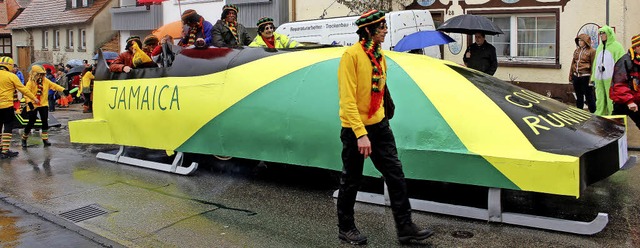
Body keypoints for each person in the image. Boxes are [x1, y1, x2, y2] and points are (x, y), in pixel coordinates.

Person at [336, 9, 433, 245]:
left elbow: (380, 87)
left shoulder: (379, 55)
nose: (386, 30)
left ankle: (405, 227)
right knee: (352, 180)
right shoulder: (351, 55)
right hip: (355, 131)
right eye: (382, 27)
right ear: (368, 30)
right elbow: (347, 100)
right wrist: (361, 134)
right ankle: (346, 228)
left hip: (379, 127)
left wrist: (383, 116)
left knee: (395, 175)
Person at [0, 57, 38, 158]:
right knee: (8, 126)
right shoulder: (11, 76)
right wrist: (33, 98)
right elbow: (22, 89)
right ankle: (5, 151)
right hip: (6, 105)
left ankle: (0, 148)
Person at [21, 65, 65, 148]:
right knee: (31, 122)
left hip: (43, 104)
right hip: (33, 104)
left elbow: (54, 85)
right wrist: (30, 103)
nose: (41, 76)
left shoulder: (45, 81)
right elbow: (26, 93)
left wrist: (63, 89)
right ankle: (24, 138)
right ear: (34, 74)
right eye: (39, 74)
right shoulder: (30, 82)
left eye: (42, 74)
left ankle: (45, 139)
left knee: (45, 122)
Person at [592, 25, 626, 116]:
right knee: (600, 96)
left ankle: (612, 114)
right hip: (599, 77)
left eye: (603, 33)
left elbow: (621, 62)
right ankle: (600, 113)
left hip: (611, 78)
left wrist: (619, 78)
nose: (601, 35)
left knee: (611, 97)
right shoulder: (599, 47)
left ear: (609, 34)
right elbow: (596, 62)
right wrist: (593, 77)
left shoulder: (617, 46)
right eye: (600, 33)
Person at [610, 34, 640, 128]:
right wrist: (629, 101)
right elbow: (619, 84)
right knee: (614, 129)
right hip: (624, 102)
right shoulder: (625, 61)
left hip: (636, 101)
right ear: (636, 47)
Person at [569, 34, 597, 113]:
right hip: (576, 76)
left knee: (589, 96)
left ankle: (593, 113)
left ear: (586, 41)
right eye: (578, 40)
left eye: (581, 40)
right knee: (578, 95)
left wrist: (592, 79)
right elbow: (573, 63)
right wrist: (571, 76)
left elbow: (593, 66)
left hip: (585, 77)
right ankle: (579, 112)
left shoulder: (592, 51)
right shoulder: (577, 50)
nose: (579, 42)